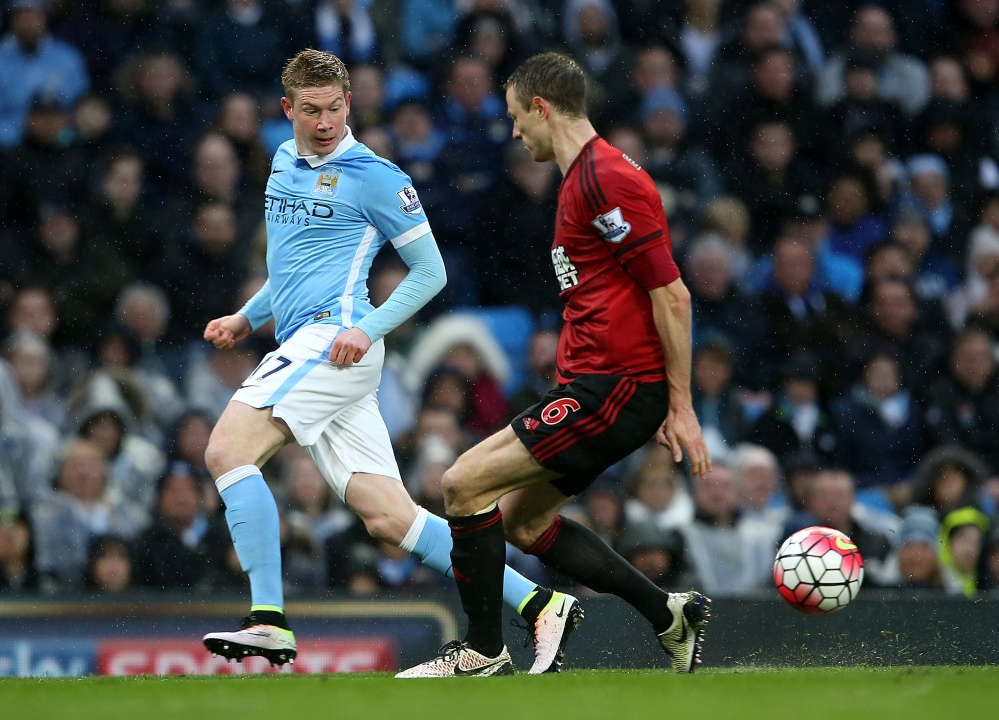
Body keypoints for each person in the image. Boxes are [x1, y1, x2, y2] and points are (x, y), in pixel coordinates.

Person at [199, 49, 578, 674]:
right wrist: (248, 315)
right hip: (307, 342)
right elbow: (292, 267)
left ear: (350, 105)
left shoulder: (378, 177)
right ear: (287, 110)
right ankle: (538, 601)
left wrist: (367, 330)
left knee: (226, 452)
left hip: (334, 339)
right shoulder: (281, 160)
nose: (324, 122)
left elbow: (432, 272)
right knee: (388, 517)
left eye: (335, 108)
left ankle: (267, 619)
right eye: (311, 110)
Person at [398, 52, 712, 679]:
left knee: (461, 484)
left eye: (517, 117)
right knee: (522, 518)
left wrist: (678, 404)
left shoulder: (605, 179)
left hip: (612, 388)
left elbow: (671, 294)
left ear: (542, 108)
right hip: (603, 386)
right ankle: (667, 613)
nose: (514, 132)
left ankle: (484, 650)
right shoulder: (582, 179)